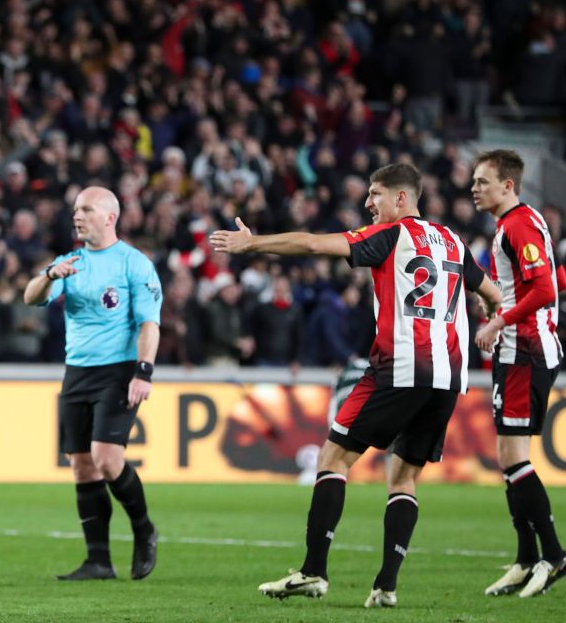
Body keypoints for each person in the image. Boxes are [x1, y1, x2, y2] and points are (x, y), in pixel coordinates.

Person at [210, 163, 502, 608]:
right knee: (404, 476)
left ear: (401, 199)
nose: (368, 203)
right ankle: (386, 585)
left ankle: (312, 571)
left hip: (400, 365)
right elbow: (494, 293)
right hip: (448, 376)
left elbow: (312, 244)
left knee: (333, 458)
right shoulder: (453, 241)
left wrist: (253, 243)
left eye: (376, 194)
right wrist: (489, 313)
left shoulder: (391, 235)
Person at [23, 186, 162, 581]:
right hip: (76, 372)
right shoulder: (71, 261)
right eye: (75, 210)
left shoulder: (134, 264)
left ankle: (144, 528)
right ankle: (98, 561)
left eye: (86, 209)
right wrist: (50, 275)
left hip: (118, 371)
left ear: (110, 217)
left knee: (106, 459)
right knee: (82, 466)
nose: (77, 216)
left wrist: (144, 370)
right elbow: (31, 298)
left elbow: (149, 323)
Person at [471, 149, 566, 598]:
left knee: (515, 460)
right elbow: (560, 280)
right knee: (508, 458)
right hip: (524, 349)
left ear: (507, 186)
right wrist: (499, 302)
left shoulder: (516, 225)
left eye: (482, 181)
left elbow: (547, 288)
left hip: (525, 352)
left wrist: (500, 319)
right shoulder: (523, 222)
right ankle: (525, 558)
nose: (474, 189)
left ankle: (552, 557)